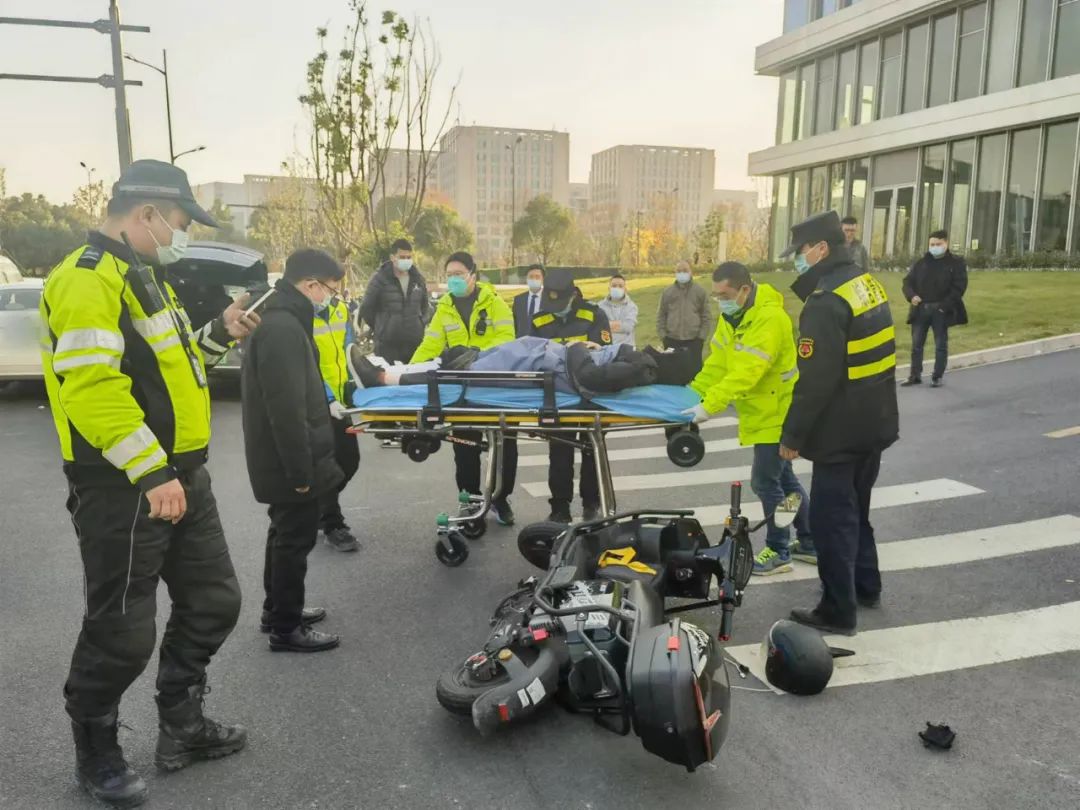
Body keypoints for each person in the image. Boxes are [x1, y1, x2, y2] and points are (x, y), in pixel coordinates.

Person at [39, 159, 254, 807]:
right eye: (180, 223)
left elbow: (170, 371)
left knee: (214, 601)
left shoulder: (144, 274)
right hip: (125, 486)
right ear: (148, 213)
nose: (181, 236)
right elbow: (91, 386)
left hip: (180, 476)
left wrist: (220, 335)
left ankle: (182, 725)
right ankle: (97, 751)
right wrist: (151, 470)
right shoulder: (86, 278)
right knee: (122, 631)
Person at [778, 210, 899, 636]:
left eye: (801, 251)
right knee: (858, 511)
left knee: (831, 523)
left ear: (821, 248)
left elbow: (815, 381)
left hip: (840, 433)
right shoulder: (865, 283)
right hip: (874, 423)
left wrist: (793, 436)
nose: (798, 259)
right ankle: (866, 587)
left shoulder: (826, 301)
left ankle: (837, 610)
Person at [242, 249, 346, 654]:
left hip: (283, 457)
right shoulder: (283, 328)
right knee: (293, 542)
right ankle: (286, 628)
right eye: (329, 290)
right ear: (310, 284)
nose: (330, 298)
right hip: (289, 460)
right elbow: (286, 409)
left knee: (283, 534)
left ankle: (277, 611)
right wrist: (301, 473)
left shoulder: (283, 318)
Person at [686, 262, 812, 576]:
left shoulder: (769, 318)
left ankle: (779, 551)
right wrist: (693, 393)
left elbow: (746, 372)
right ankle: (810, 540)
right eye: (716, 295)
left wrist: (709, 406)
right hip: (761, 411)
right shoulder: (733, 317)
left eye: (725, 295)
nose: (720, 301)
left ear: (745, 289)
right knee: (786, 482)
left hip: (778, 412)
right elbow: (718, 363)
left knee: (765, 482)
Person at [411, 251, 519, 525]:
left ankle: (500, 499)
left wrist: (472, 354)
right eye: (449, 275)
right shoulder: (444, 308)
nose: (453, 280)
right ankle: (470, 499)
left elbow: (507, 340)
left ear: (473, 275)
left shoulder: (495, 304)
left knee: (504, 445)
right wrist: (410, 370)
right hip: (462, 390)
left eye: (458, 274)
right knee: (465, 446)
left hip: (495, 385)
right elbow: (431, 344)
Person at [529, 268, 612, 523]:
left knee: (592, 450)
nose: (555, 309)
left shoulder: (594, 315)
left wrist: (593, 348)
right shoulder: (539, 320)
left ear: (573, 295)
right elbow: (530, 354)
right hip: (557, 397)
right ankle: (560, 508)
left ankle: (591, 504)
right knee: (559, 453)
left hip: (591, 396)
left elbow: (605, 354)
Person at [349, 335, 698, 394]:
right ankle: (388, 369)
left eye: (671, 351)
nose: (665, 347)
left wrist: (578, 346)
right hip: (541, 355)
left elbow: (590, 377)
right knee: (462, 356)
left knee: (458, 375)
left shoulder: (643, 367)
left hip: (542, 367)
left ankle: (381, 378)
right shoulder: (642, 362)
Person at [315, 293, 361, 552]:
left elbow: (349, 353)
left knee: (350, 461)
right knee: (327, 467)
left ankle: (318, 506)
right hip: (315, 402)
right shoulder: (299, 317)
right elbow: (307, 364)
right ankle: (332, 524)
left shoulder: (340, 310)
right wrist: (328, 398)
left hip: (342, 403)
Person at [901, 229, 968, 388]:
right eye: (932, 244)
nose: (935, 247)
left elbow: (959, 287)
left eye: (938, 244)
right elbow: (907, 282)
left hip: (941, 310)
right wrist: (911, 296)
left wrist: (944, 306)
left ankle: (937, 376)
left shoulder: (955, 264)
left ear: (946, 243)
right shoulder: (921, 263)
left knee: (940, 345)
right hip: (920, 309)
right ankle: (915, 375)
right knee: (916, 344)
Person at [359, 238, 429, 363]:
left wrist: (420, 323)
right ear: (392, 257)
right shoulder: (380, 279)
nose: (406, 260)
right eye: (402, 257)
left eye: (409, 257)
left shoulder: (418, 279)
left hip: (414, 343)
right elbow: (366, 308)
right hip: (387, 346)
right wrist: (381, 327)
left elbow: (425, 306)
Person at [656, 260, 710, 374]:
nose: (682, 273)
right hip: (671, 340)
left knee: (694, 374)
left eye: (685, 270)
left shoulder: (700, 292)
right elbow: (661, 315)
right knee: (672, 374)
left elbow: (706, 316)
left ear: (691, 272)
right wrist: (663, 336)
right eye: (679, 271)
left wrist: (701, 338)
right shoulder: (667, 292)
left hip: (694, 341)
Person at [597, 273, 638, 347]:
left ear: (625, 289)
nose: (617, 288)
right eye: (614, 286)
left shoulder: (631, 307)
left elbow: (628, 327)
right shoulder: (600, 306)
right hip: (606, 348)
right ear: (609, 288)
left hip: (627, 347)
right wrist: (620, 325)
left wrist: (606, 325)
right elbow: (598, 327)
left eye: (620, 286)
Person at [513, 263, 545, 336]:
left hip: (543, 341)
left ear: (543, 279)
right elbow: (515, 324)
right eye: (531, 277)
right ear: (527, 279)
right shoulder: (518, 300)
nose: (534, 279)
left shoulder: (550, 300)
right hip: (522, 340)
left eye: (537, 277)